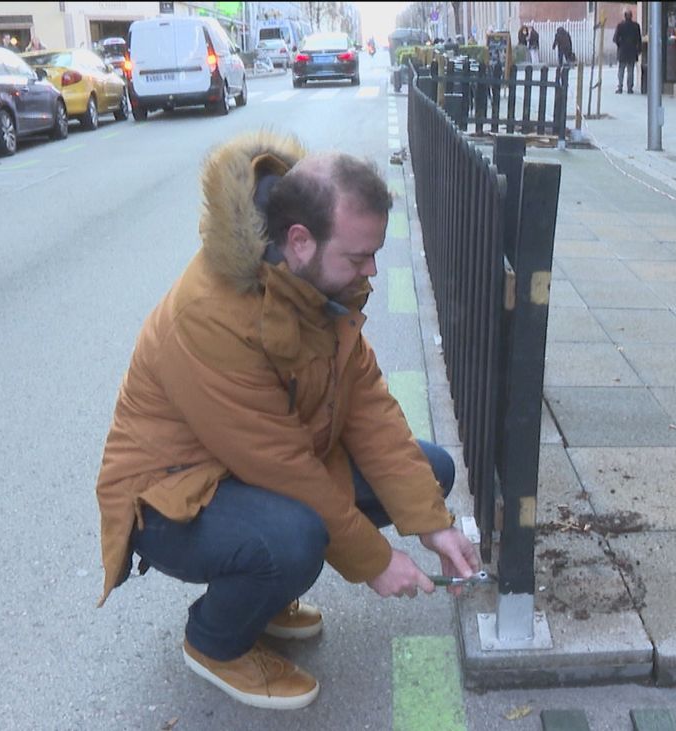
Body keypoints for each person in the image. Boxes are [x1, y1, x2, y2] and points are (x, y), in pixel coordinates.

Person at [94, 131, 480, 711]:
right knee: (295, 536)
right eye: (358, 256)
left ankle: (265, 596)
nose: (371, 269)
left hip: (251, 466)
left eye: (374, 253)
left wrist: (432, 524)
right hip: (172, 495)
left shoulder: (320, 283)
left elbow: (369, 407)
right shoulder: (210, 317)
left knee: (431, 471)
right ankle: (214, 642)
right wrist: (376, 561)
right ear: (299, 241)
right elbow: (283, 470)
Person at [613, 10, 642, 93]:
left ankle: (620, 87)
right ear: (632, 16)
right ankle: (630, 88)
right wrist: (638, 50)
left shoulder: (620, 26)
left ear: (624, 16)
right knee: (631, 70)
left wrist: (620, 45)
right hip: (632, 51)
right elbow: (638, 39)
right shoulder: (636, 26)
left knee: (621, 70)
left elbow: (615, 39)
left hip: (622, 50)